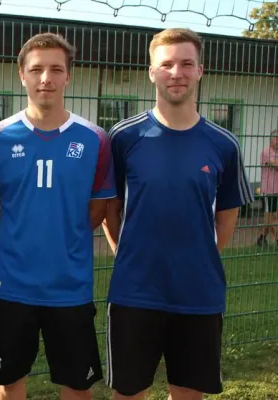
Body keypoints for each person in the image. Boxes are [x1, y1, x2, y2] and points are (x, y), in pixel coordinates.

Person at [102, 28, 254, 400]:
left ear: (200, 70)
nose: (176, 73)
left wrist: (203, 257)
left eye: (186, 64)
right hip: (135, 292)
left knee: (188, 394)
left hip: (198, 294)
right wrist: (127, 255)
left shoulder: (224, 144)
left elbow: (228, 214)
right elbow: (110, 208)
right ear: (151, 72)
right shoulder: (123, 137)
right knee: (128, 393)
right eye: (167, 64)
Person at [0, 32, 116, 400]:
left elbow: (98, 210)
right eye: (36, 69)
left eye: (56, 69)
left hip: (70, 288)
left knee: (77, 386)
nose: (46, 78)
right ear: (21, 74)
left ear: (68, 76)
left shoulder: (95, 139)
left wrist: (63, 238)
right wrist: (18, 240)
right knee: (9, 383)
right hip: (12, 286)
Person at [256, 129, 278, 247]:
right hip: (269, 190)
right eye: (276, 139)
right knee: (271, 217)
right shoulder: (266, 152)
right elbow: (275, 164)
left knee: (272, 218)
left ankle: (262, 237)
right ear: (271, 140)